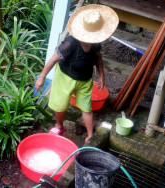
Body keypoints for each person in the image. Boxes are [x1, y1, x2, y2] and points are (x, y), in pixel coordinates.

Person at [34, 4, 118, 143]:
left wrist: (102, 76)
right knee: (60, 104)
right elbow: (53, 60)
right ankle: (59, 126)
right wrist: (41, 78)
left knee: (86, 107)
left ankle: (90, 136)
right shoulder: (70, 44)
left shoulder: (96, 43)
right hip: (65, 77)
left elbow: (98, 58)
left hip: (85, 79)